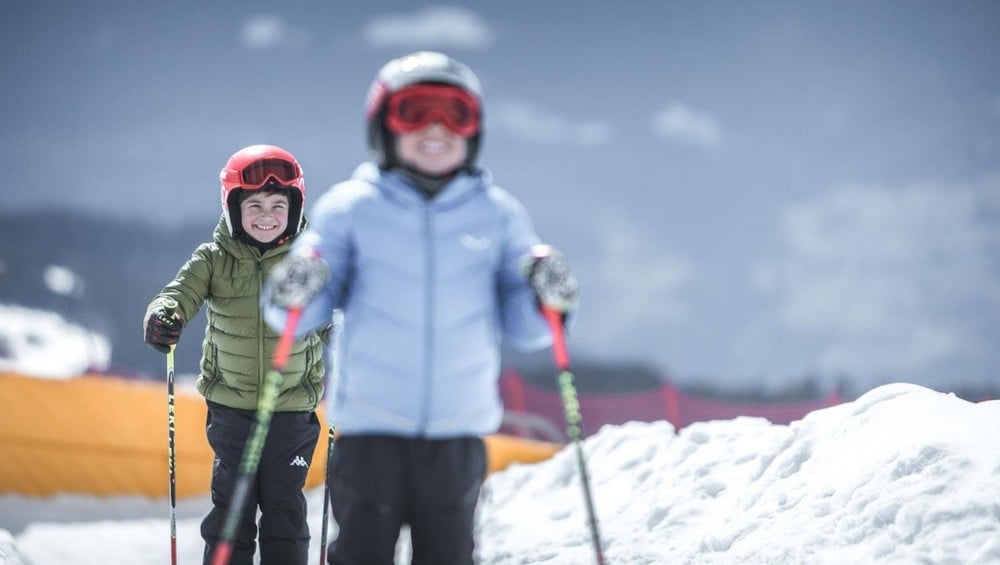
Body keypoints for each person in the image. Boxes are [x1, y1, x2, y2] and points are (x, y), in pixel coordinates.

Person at [261, 51, 580, 565]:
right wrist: (297, 286)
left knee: (450, 555)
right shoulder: (352, 209)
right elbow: (298, 314)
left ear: (474, 129)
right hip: (370, 429)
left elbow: (526, 329)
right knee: (362, 553)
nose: (436, 128)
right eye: (414, 112)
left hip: (457, 432)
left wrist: (548, 300)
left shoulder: (498, 215)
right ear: (383, 125)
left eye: (455, 113)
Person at [143, 144, 327, 565]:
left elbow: (332, 305)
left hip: (292, 407)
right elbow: (178, 294)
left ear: (295, 208)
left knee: (284, 510)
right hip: (232, 409)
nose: (267, 215)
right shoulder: (214, 259)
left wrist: (340, 328)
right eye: (255, 205)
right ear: (232, 208)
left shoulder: (309, 262)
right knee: (233, 510)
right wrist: (163, 316)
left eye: (279, 205)